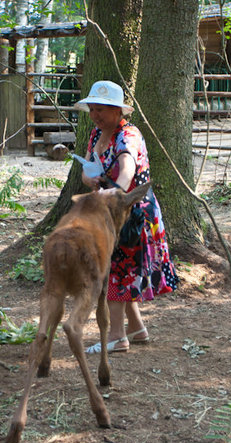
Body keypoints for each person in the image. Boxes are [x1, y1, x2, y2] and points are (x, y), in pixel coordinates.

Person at [74, 80, 179, 354]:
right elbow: (86, 170)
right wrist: (91, 179)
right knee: (120, 268)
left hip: (132, 213)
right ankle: (136, 328)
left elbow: (127, 168)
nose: (96, 115)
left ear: (118, 111)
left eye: (102, 110)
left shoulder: (128, 135)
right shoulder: (96, 135)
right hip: (113, 210)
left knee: (116, 270)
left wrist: (116, 192)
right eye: (93, 109)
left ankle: (116, 337)